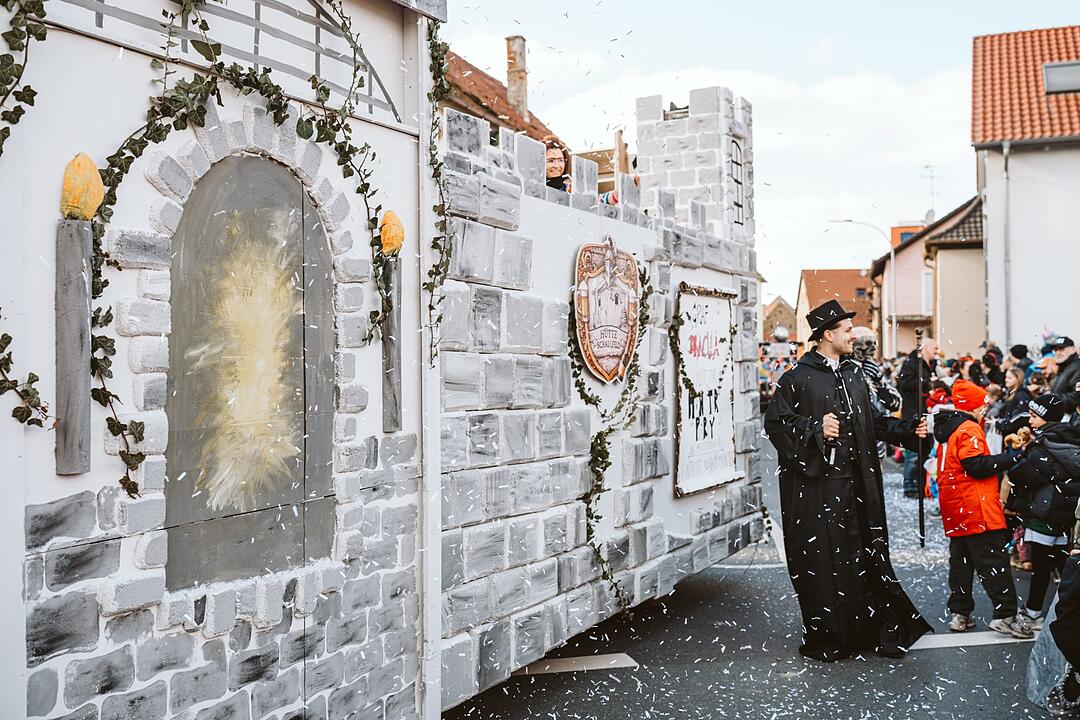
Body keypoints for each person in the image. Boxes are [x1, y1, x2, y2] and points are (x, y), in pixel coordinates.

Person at [764, 299, 932, 662]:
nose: (853, 335)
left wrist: (908, 431)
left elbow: (871, 421)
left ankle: (870, 631)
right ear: (827, 335)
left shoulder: (854, 374)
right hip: (820, 490)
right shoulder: (797, 379)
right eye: (846, 330)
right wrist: (813, 428)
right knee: (826, 561)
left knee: (864, 557)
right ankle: (831, 637)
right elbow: (775, 425)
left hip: (858, 488)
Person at [932, 379, 1033, 638]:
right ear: (972, 407)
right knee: (994, 563)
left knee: (962, 564)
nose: (985, 410)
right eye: (982, 405)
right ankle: (1007, 615)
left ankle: (960, 613)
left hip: (955, 506)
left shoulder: (948, 429)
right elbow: (976, 465)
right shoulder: (968, 428)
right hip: (976, 506)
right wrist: (1012, 457)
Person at [1006, 394, 1080, 627]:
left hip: (1043, 514)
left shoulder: (1043, 446)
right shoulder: (1069, 439)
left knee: (1041, 568)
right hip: (1064, 512)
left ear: (1045, 418)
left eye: (1034, 415)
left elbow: (1022, 475)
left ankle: (1033, 613)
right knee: (1061, 565)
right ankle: (1066, 613)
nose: (1030, 419)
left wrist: (1018, 454)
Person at [897, 336, 937, 498]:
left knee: (923, 451)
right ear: (926, 348)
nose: (936, 352)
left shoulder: (930, 365)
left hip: (924, 411)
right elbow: (903, 384)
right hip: (913, 412)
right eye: (934, 348)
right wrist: (927, 383)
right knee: (913, 451)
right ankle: (910, 488)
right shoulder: (912, 363)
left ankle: (920, 486)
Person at [1049, 337, 1080, 419]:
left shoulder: (1077, 367)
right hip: (1064, 416)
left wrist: (1051, 400)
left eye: (1061, 348)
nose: (1058, 352)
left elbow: (1076, 397)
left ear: (1073, 349)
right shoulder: (1065, 366)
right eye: (1055, 350)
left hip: (1072, 418)